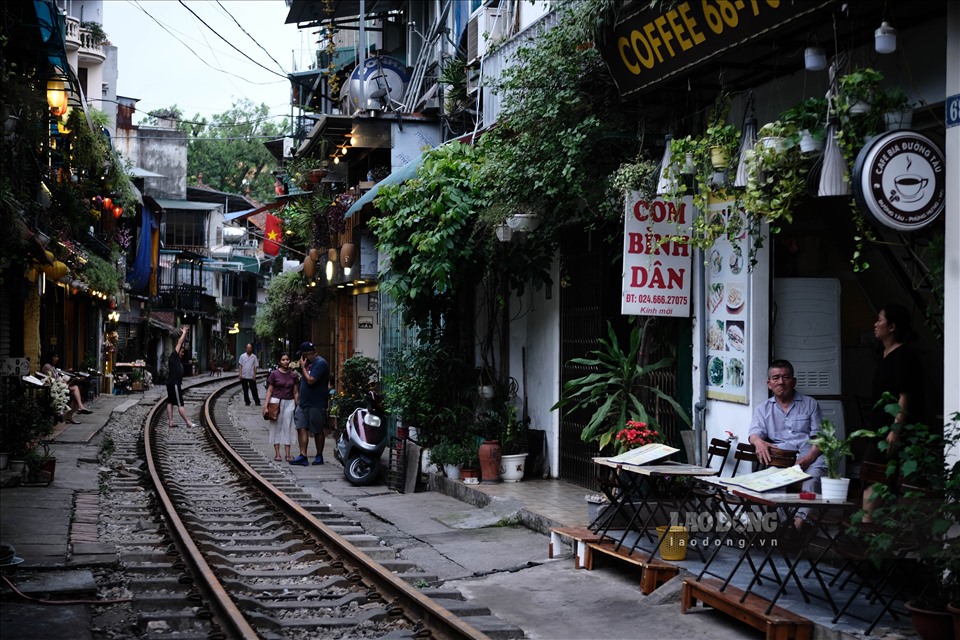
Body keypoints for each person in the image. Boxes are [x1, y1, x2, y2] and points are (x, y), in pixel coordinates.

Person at [861, 303, 926, 520]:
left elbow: (905, 395)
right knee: (872, 476)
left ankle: (871, 528)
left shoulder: (904, 355)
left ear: (892, 327)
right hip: (879, 429)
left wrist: (896, 429)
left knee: (887, 477)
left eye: (880, 319)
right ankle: (867, 528)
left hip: (893, 431)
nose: (875, 324)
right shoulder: (884, 353)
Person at [748, 359, 824, 528]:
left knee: (813, 479)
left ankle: (797, 526)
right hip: (782, 460)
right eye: (776, 378)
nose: (781, 382)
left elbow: (820, 439)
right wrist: (758, 442)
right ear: (769, 384)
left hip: (810, 458)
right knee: (773, 482)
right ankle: (785, 525)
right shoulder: (763, 409)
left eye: (786, 377)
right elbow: (754, 433)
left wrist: (808, 459)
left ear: (794, 381)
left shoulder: (810, 404)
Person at [290, 341, 329, 466]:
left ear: (306, 354)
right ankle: (303, 455)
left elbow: (311, 380)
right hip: (304, 403)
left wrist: (302, 368)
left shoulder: (320, 363)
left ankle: (319, 455)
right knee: (301, 427)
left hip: (316, 403)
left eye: (302, 355)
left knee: (317, 430)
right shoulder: (309, 364)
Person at [264, 353, 298, 462]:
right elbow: (269, 390)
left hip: (290, 402)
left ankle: (288, 454)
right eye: (283, 359)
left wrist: (298, 406)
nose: (285, 361)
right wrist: (266, 406)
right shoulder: (274, 374)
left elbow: (296, 392)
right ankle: (277, 453)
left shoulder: (293, 375)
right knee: (276, 427)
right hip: (276, 402)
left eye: (287, 359)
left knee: (288, 427)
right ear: (280, 361)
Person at [41, 352, 92, 424]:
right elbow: (53, 380)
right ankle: (80, 407)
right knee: (75, 388)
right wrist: (65, 382)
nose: (56, 359)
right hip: (53, 389)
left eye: (57, 357)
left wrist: (68, 381)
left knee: (75, 394)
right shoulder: (47, 367)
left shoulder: (52, 367)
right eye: (54, 357)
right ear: (50, 357)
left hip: (58, 386)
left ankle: (70, 417)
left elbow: (58, 378)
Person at [166, 326, 196, 428]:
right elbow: (179, 343)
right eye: (181, 352)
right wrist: (184, 332)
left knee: (170, 402)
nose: (182, 354)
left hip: (171, 382)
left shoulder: (176, 359)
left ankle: (171, 421)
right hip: (174, 383)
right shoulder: (174, 356)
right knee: (180, 404)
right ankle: (188, 422)